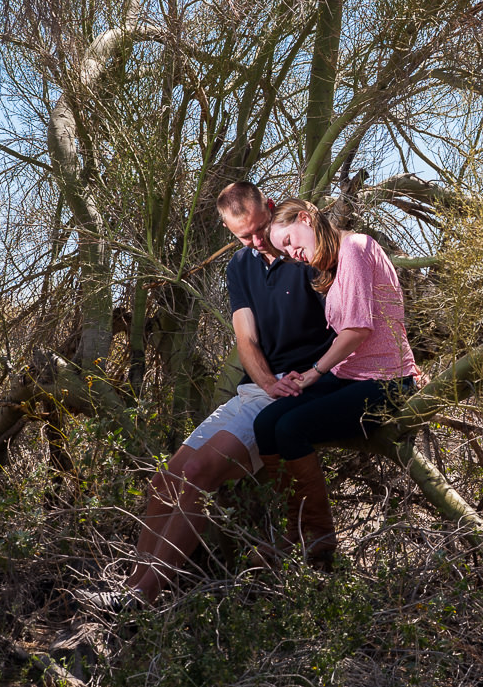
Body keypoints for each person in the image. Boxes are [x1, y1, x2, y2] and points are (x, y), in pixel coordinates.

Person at [78, 182, 333, 609]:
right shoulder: (240, 266)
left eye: (259, 228)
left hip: (299, 389)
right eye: (243, 236)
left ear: (271, 208)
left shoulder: (306, 253)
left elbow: (354, 316)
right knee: (163, 483)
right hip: (260, 389)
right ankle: (128, 593)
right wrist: (267, 383)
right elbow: (246, 339)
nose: (256, 241)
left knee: (197, 471)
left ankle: (145, 596)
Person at [253, 198, 424, 567]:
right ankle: (292, 527)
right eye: (284, 252)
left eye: (289, 241)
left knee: (291, 427)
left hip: (387, 382)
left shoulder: (357, 247)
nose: (292, 253)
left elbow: (358, 329)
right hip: (347, 376)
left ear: (306, 217)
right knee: (265, 423)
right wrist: (308, 372)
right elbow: (340, 341)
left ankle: (318, 536)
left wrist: (315, 371)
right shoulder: (331, 268)